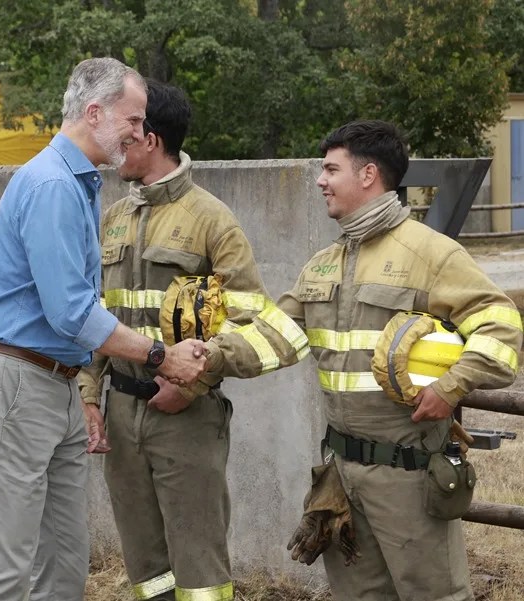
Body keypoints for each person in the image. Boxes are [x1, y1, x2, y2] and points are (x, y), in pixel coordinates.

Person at [0, 58, 207, 601]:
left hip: (51, 381)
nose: (141, 132)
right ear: (94, 113)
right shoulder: (52, 185)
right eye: (134, 120)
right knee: (3, 568)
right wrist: (161, 356)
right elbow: (71, 312)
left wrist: (83, 392)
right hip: (17, 381)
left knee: (65, 564)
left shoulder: (77, 182)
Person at [77, 80, 309, 601]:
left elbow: (249, 319)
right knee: (145, 564)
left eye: (127, 134)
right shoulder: (114, 219)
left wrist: (195, 383)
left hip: (184, 418)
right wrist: (89, 397)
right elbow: (93, 316)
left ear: (151, 138)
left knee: (199, 566)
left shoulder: (212, 220)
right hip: (121, 412)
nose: (117, 147)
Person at [273, 120, 522, 600]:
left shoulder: (432, 253)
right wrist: (205, 356)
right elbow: (274, 334)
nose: (320, 180)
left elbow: (501, 327)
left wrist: (451, 386)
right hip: (340, 475)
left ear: (368, 175)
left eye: (330, 169)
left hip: (408, 476)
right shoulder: (323, 262)